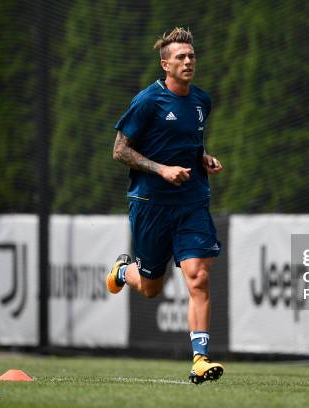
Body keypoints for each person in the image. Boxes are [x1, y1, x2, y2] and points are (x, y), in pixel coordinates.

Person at [106, 27, 224, 384]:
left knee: (198, 277)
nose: (188, 62)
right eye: (180, 58)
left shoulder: (201, 100)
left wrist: (203, 157)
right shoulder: (148, 101)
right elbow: (119, 151)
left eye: (191, 57)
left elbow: (188, 144)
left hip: (191, 203)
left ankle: (200, 359)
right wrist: (161, 169)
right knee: (151, 287)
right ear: (165, 64)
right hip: (150, 204)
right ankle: (124, 272)